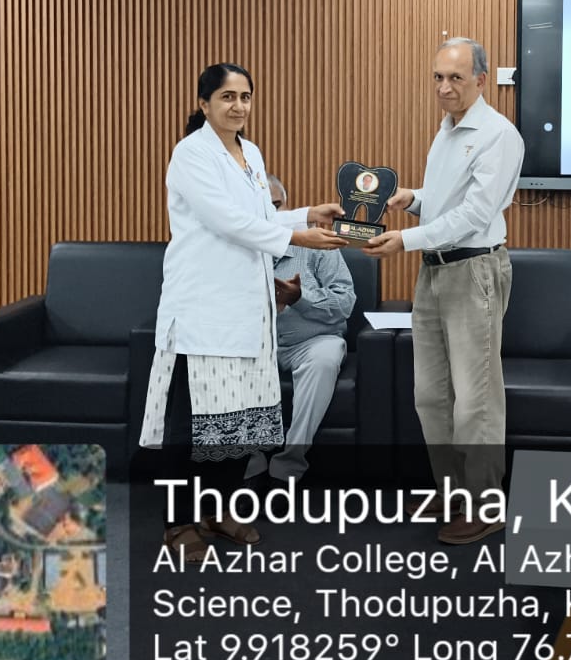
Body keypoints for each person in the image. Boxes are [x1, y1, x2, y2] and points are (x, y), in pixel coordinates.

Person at [140, 63, 346, 563]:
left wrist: (307, 214)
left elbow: (258, 217)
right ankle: (178, 523)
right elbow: (226, 221)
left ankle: (219, 511)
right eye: (227, 97)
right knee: (191, 427)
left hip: (248, 314)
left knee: (241, 421)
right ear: (204, 103)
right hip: (203, 313)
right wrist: (297, 235)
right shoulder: (191, 154)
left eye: (245, 97)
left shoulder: (250, 153)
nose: (238, 106)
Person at [364, 37, 524, 545]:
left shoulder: (499, 135)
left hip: (473, 270)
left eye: (455, 77)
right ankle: (453, 489)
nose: (444, 87)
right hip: (433, 271)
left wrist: (405, 239)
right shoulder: (447, 129)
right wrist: (412, 199)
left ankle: (485, 503)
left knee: (475, 399)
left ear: (481, 80)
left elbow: (475, 214)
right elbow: (446, 201)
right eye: (438, 77)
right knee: (431, 395)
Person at [244, 175, 356, 486]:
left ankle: (288, 465)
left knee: (325, 357)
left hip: (311, 341)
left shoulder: (317, 244)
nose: (270, 215)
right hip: (256, 345)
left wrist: (301, 299)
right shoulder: (238, 252)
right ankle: (251, 464)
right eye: (261, 208)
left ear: (288, 208)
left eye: (276, 206)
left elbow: (345, 302)